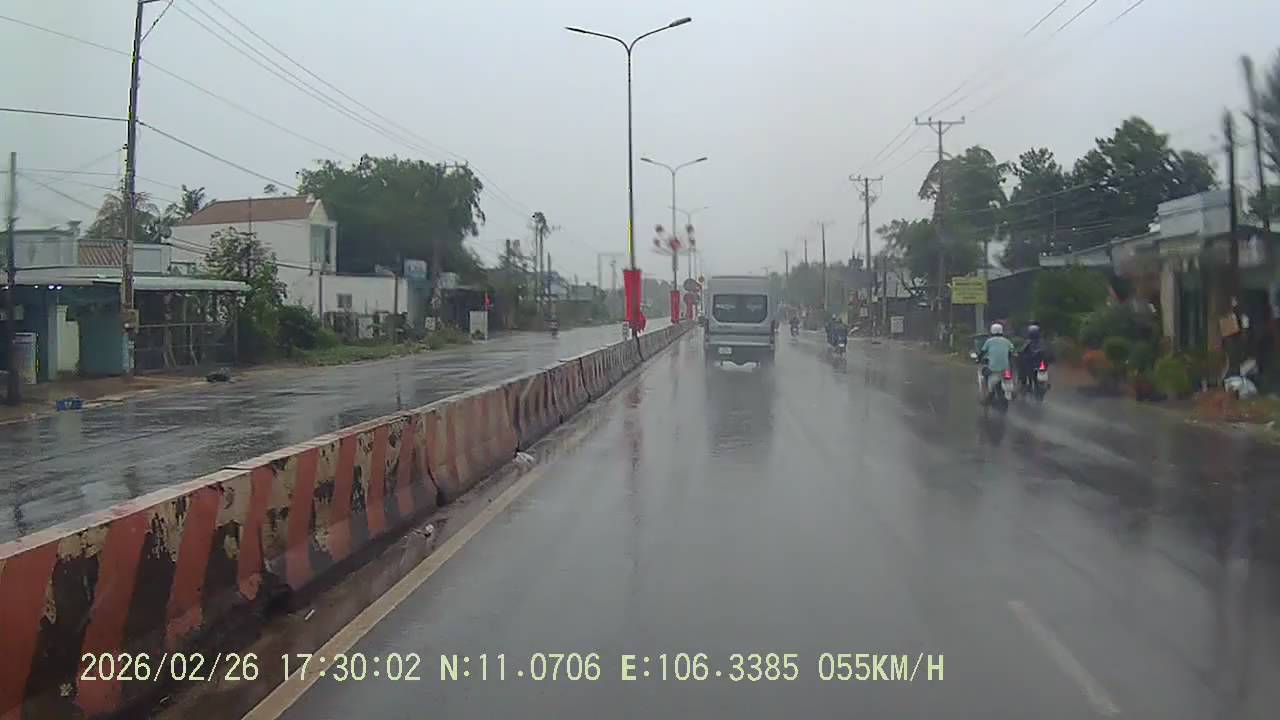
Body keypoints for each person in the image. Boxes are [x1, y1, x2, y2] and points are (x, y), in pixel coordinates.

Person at [979, 322, 1015, 398]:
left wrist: (978, 359)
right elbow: (1011, 352)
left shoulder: (989, 341)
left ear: (991, 331)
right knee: (1010, 376)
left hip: (993, 368)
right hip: (1005, 368)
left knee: (984, 375)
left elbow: (982, 352)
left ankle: (987, 394)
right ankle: (1012, 392)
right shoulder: (1007, 341)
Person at [1018, 323, 1050, 389]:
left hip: (1033, 364)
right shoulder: (1042, 342)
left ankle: (1024, 384)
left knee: (1023, 369)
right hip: (1038, 364)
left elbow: (1021, 351)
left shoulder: (1028, 342)